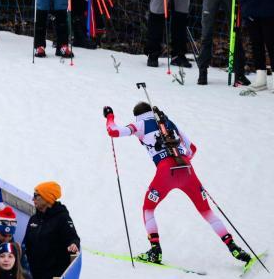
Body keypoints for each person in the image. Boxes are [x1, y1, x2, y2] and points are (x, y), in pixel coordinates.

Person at [105, 102, 250, 263]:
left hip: (165, 173)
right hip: (187, 170)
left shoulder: (140, 124)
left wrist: (109, 116)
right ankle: (234, 248)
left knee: (148, 209)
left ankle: (155, 251)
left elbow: (114, 131)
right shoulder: (168, 123)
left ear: (137, 115)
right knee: (207, 211)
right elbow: (192, 149)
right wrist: (181, 163)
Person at [22, 180, 81, 279]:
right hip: (34, 278)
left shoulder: (62, 218)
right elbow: (25, 244)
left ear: (47, 197)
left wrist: (73, 244)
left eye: (36, 195)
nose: (32, 199)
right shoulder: (33, 219)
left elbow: (73, 237)